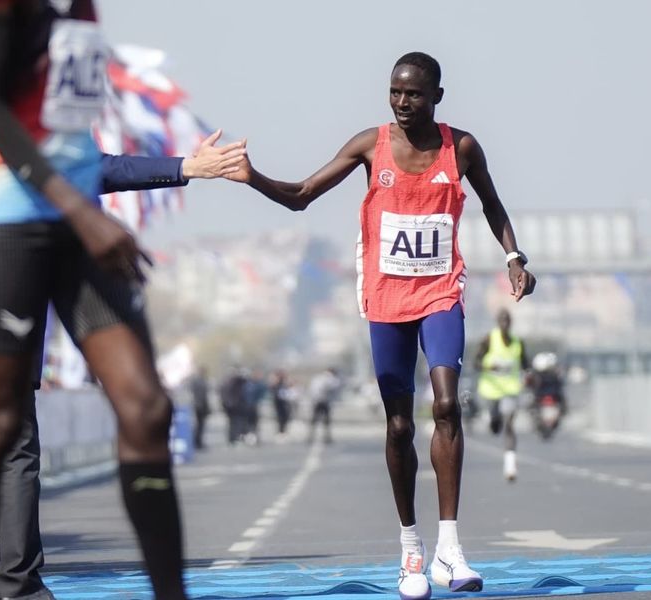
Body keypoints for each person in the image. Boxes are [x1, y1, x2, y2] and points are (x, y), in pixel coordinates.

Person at [0, 2, 243, 598]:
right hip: (4, 215)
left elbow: (70, 134)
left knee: (147, 408)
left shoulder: (81, 10)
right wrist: (80, 211)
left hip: (75, 217)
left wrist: (88, 205)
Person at [219, 51, 536, 599]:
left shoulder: (461, 147)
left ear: (437, 97)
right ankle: (411, 549)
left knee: (446, 405)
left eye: (414, 93)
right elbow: (301, 196)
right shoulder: (371, 145)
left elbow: (492, 205)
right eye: (395, 91)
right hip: (386, 299)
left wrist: (514, 257)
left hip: (440, 291)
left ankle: (450, 550)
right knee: (398, 426)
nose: (402, 102)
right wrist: (252, 178)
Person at [475, 309, 529, 481]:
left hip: (510, 390)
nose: (505, 323)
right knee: (496, 425)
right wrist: (488, 367)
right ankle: (493, 421)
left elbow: (525, 364)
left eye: (507, 320)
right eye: (502, 320)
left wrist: (530, 375)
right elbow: (476, 362)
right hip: (491, 390)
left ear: (511, 323)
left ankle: (510, 465)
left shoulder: (518, 342)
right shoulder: (489, 339)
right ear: (498, 322)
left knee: (509, 423)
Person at [306, 368, 341, 445]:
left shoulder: (317, 378)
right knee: (324, 420)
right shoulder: (330, 378)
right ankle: (324, 437)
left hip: (318, 400)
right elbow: (333, 387)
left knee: (316, 420)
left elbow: (312, 389)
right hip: (323, 401)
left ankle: (311, 436)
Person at [189, 367, 211, 450]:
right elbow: (203, 396)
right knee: (200, 425)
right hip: (200, 405)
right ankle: (198, 442)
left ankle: (197, 442)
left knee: (199, 425)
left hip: (198, 405)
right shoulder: (200, 381)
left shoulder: (196, 381)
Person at [270, 370, 295, 436]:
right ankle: (280, 431)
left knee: (286, 416)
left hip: (285, 402)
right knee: (280, 417)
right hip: (278, 402)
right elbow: (272, 388)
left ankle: (283, 431)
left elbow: (291, 387)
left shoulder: (285, 382)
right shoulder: (276, 382)